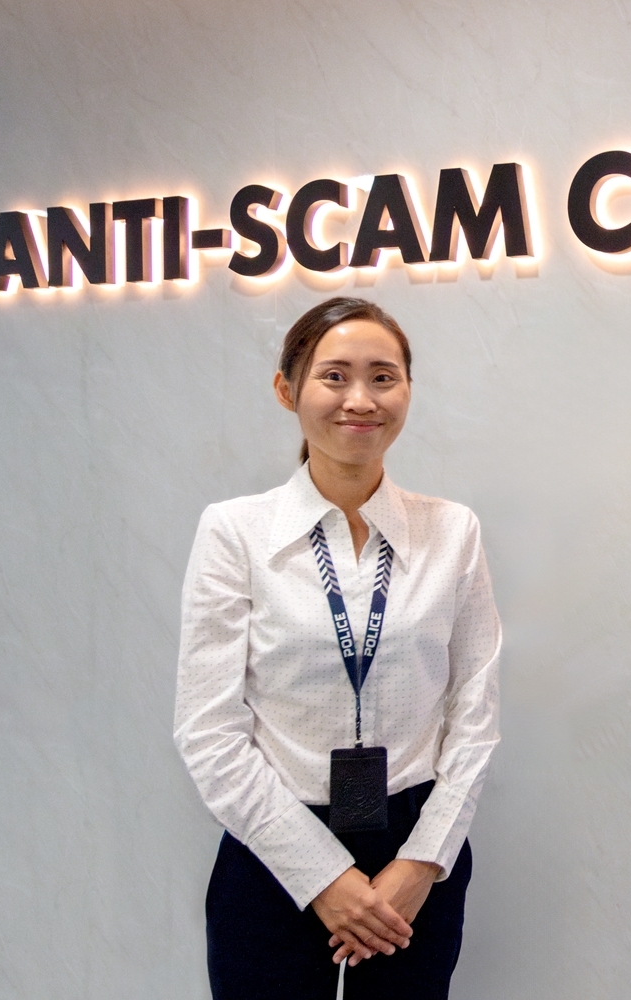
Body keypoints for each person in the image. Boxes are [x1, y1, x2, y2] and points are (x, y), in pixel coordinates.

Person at [174, 297, 501, 1000]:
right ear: (287, 389)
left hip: (416, 853)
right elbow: (208, 731)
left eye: (383, 377)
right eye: (334, 377)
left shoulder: (453, 531)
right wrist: (322, 874)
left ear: (408, 389)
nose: (361, 399)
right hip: (274, 846)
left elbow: (476, 715)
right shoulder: (235, 532)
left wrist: (422, 862)